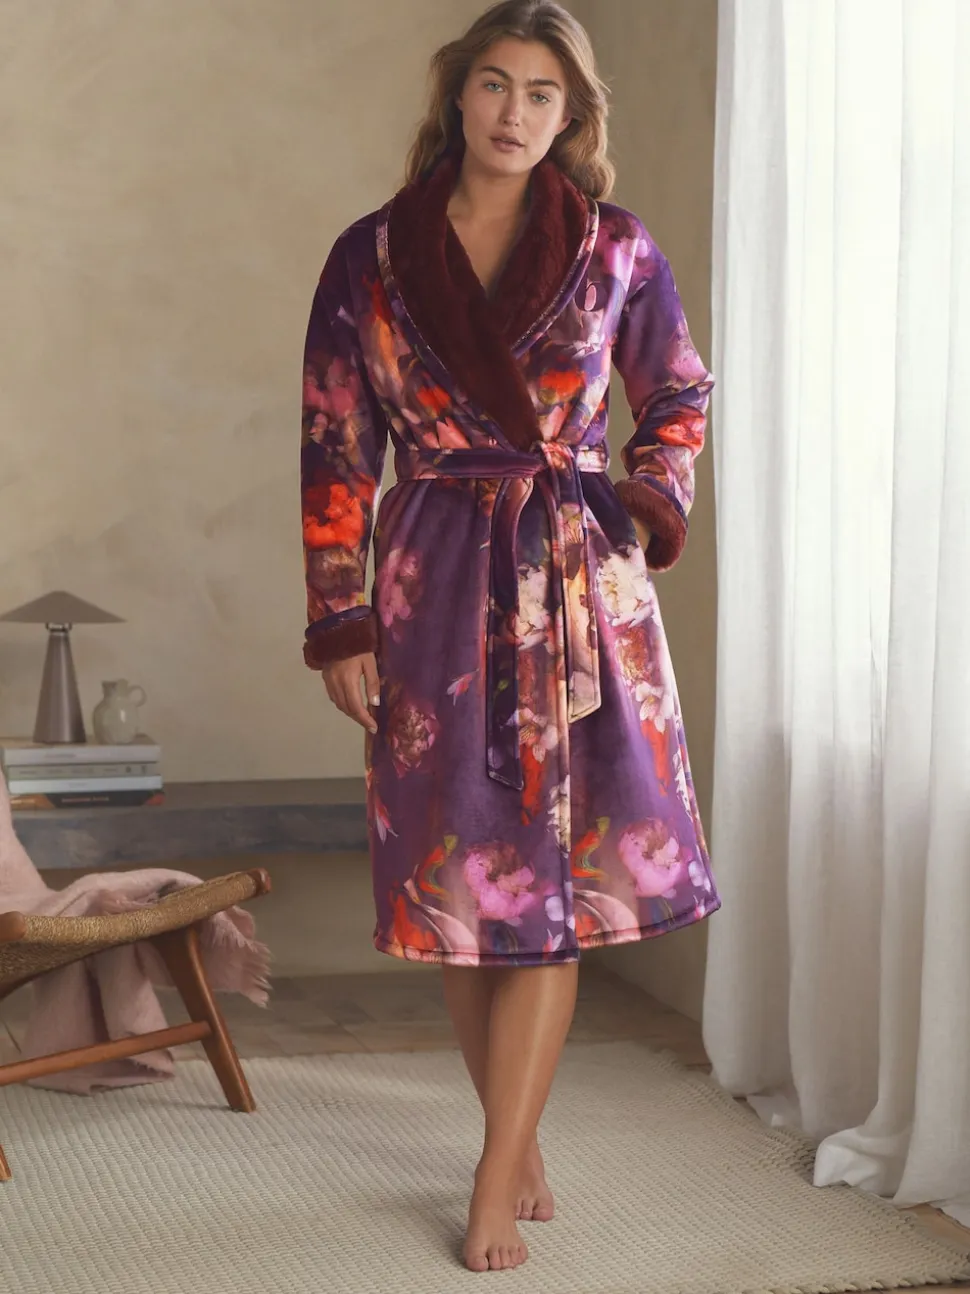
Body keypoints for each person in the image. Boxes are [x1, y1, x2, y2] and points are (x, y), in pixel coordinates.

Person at [300, 0, 720, 1273]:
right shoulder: (372, 255)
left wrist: (646, 504)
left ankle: (495, 1168)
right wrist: (341, 618)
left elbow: (678, 393)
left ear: (571, 115)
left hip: (579, 590)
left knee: (555, 882)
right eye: (494, 83)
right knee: (463, 880)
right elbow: (334, 444)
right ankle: (513, 1130)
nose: (515, 112)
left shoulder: (614, 248)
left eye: (543, 93)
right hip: (432, 585)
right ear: (458, 94)